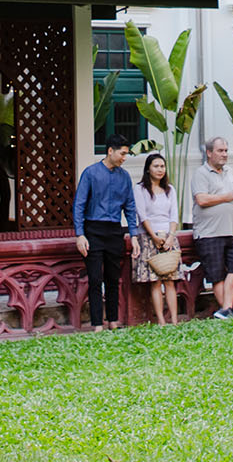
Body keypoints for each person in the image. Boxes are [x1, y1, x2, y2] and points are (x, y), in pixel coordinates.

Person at [73, 134, 140, 331]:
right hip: (93, 229)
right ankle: (96, 324)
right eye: (122, 153)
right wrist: (80, 234)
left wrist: (133, 235)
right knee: (95, 279)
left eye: (126, 154)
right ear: (110, 151)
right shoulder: (91, 173)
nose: (124, 158)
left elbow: (130, 206)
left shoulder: (124, 177)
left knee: (113, 278)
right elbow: (79, 205)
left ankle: (112, 320)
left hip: (114, 230)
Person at [191, 136, 233, 318]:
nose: (224, 155)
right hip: (209, 232)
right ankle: (227, 311)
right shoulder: (201, 173)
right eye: (220, 151)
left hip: (232, 229)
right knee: (216, 274)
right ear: (209, 153)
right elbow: (202, 199)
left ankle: (226, 309)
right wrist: (229, 196)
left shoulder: (229, 171)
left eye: (226, 151)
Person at [132, 153, 181, 324]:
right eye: (156, 166)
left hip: (168, 237)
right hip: (148, 236)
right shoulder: (140, 189)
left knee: (170, 281)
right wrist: (153, 237)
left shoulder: (170, 189)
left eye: (162, 166)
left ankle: (174, 320)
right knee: (155, 281)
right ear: (148, 169)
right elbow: (142, 214)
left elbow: (174, 215)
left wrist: (170, 237)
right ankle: (161, 320)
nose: (160, 170)